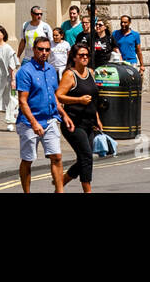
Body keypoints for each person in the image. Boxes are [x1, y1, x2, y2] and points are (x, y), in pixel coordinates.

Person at [15, 36, 65, 193]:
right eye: (41, 49)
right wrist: (34, 122)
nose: (44, 52)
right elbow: (22, 101)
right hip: (29, 123)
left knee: (56, 157)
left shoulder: (51, 70)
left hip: (50, 120)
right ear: (34, 50)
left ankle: (59, 191)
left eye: (47, 49)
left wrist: (64, 115)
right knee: (28, 160)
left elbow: (54, 96)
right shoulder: (25, 71)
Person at [56, 42, 102, 192]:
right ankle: (88, 190)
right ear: (74, 57)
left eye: (86, 55)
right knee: (87, 157)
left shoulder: (91, 72)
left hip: (89, 122)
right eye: (81, 55)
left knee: (84, 158)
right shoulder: (70, 74)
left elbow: (93, 99)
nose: (84, 57)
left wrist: (97, 119)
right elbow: (59, 96)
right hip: (74, 123)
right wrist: (78, 100)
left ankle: (60, 183)